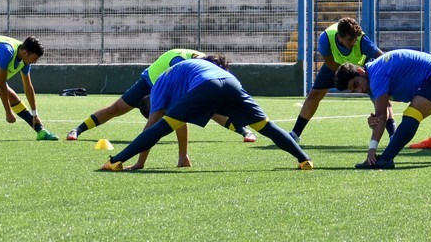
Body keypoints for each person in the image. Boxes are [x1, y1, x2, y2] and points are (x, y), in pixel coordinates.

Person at [98, 57, 313, 172]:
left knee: (161, 128)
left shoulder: (158, 87)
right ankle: (304, 160)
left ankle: (115, 162)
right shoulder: (178, 79)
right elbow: (176, 124)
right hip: (230, 82)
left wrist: (137, 162)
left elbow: (153, 127)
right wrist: (182, 156)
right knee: (266, 127)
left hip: (206, 85)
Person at [65, 47, 259, 151]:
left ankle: (244, 130)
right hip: (150, 81)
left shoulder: (205, 64)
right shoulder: (190, 65)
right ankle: (78, 129)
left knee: (210, 110)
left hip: (168, 84)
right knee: (115, 108)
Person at [334, 49, 431, 170]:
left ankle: (385, 160)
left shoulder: (376, 76)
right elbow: (385, 112)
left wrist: (372, 151)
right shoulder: (372, 78)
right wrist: (377, 122)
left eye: (357, 84)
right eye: (355, 90)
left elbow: (381, 115)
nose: (360, 90)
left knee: (412, 114)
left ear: (360, 71)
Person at [291, 17, 389, 144]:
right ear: (340, 37)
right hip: (336, 66)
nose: (353, 42)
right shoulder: (325, 38)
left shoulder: (362, 41)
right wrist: (345, 75)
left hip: (361, 68)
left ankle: (393, 135)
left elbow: (383, 58)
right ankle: (295, 134)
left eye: (355, 39)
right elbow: (329, 61)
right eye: (349, 40)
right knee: (314, 95)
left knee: (380, 98)